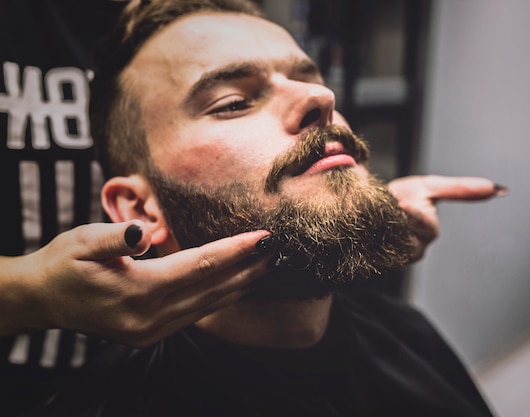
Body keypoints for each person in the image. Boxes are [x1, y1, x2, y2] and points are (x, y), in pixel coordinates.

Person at [37, 1, 504, 415]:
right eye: (234, 102)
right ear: (141, 207)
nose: (321, 98)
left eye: (308, 78)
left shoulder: (409, 334)